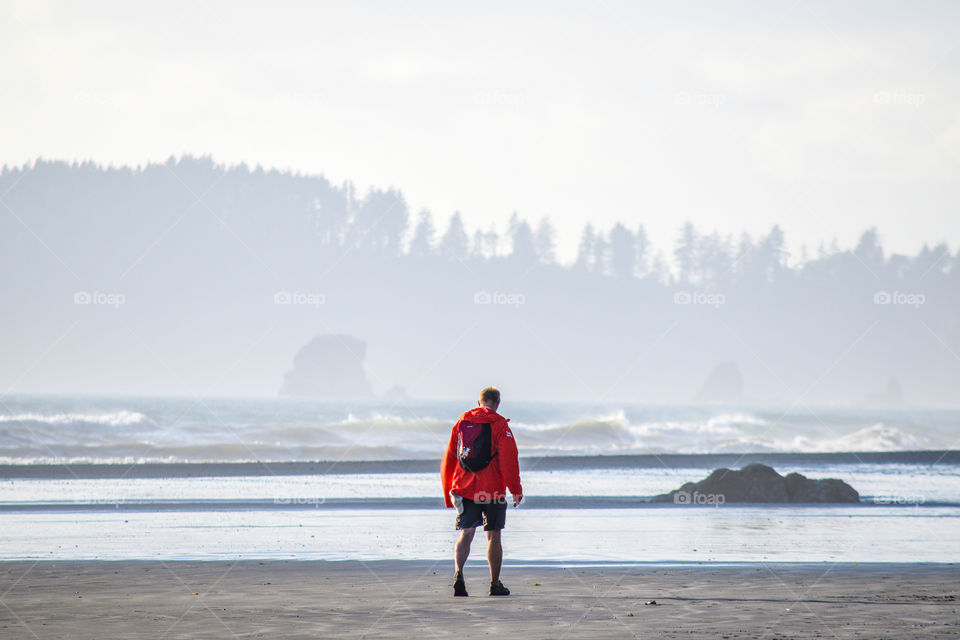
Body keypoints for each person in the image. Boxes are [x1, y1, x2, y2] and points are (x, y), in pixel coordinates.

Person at [441, 386, 523, 597]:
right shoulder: (499, 425)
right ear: (497, 404)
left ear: (479, 402)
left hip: (464, 487)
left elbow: (449, 459)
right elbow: (508, 460)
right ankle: (495, 584)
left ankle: (458, 573)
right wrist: (515, 489)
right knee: (493, 536)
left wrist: (447, 492)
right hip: (492, 490)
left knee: (466, 532)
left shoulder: (461, 423)